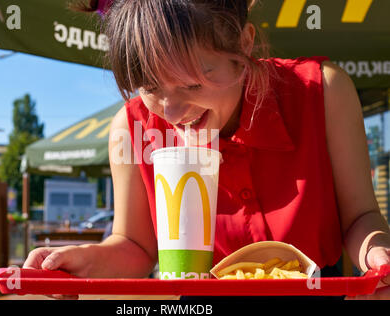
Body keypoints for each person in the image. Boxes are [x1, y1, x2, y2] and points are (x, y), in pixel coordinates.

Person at [23, 0, 390, 300]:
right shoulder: (130, 125)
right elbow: (135, 246)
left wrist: (377, 254)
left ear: (244, 43)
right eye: (149, 87)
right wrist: (77, 263)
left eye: (192, 84)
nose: (170, 112)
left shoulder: (322, 93)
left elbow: (360, 217)